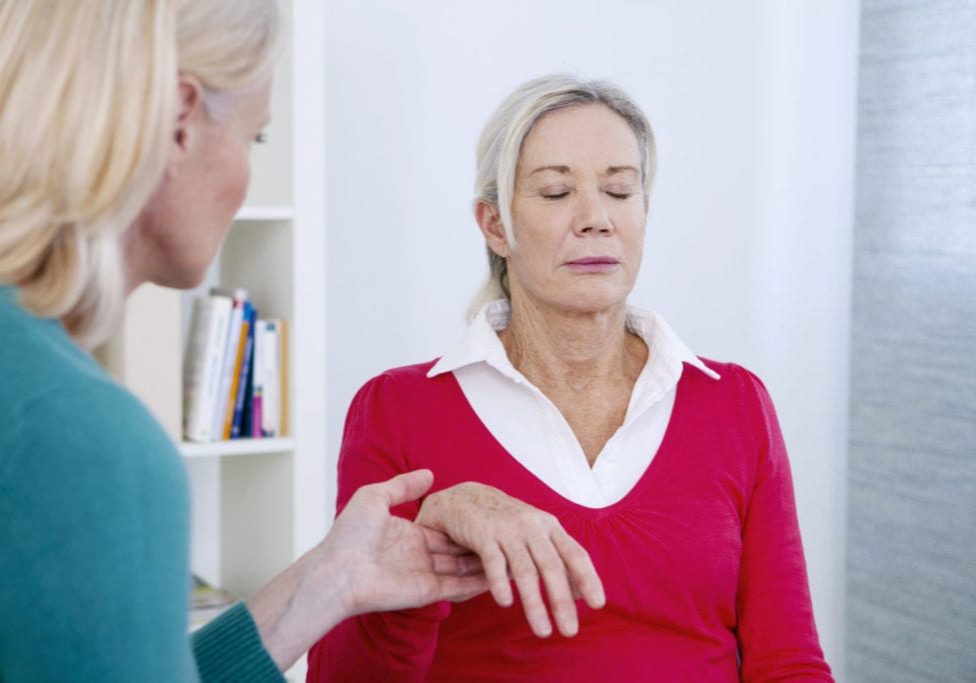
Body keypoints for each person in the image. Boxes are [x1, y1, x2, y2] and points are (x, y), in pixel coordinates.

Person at [0, 1, 501, 680]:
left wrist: (330, 577)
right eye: (254, 138)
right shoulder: (84, 442)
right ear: (180, 122)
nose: (246, 180)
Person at [308, 74, 835, 681]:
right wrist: (434, 527)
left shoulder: (734, 402)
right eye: (556, 192)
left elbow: (789, 661)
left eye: (619, 190)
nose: (595, 219)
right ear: (495, 226)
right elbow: (342, 677)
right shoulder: (396, 409)